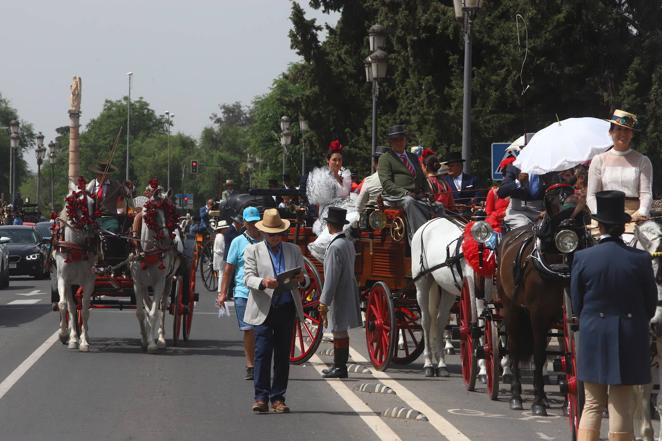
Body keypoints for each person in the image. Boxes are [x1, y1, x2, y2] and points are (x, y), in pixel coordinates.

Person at [571, 190, 656, 441]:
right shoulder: (640, 259)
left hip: (594, 331)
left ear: (600, 225)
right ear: (622, 225)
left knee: (593, 403)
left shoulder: (582, 257)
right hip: (629, 332)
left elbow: (577, 303)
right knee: (621, 402)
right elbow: (650, 304)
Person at [242, 208, 306, 413]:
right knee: (262, 353)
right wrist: (263, 282)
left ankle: (278, 398)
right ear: (264, 233)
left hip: (286, 306)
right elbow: (247, 277)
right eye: (271, 234)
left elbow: (304, 278)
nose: (275, 238)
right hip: (263, 307)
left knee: (281, 355)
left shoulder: (294, 250)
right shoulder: (253, 250)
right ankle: (260, 397)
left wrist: (301, 279)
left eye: (278, 234)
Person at [217, 206, 262, 381]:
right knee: (249, 330)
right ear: (244, 223)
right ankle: (250, 365)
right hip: (243, 292)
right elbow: (228, 270)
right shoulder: (237, 242)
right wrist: (222, 293)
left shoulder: (265, 239)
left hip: (263, 292)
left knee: (262, 331)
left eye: (256, 222)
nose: (254, 226)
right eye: (250, 223)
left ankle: (261, 362)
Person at [587, 109, 652, 227]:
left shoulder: (643, 161)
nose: (623, 133)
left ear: (632, 133)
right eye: (619, 129)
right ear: (610, 132)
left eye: (627, 130)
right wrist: (600, 215)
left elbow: (646, 193)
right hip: (604, 218)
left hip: (634, 217)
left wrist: (641, 213)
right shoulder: (598, 160)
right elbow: (591, 196)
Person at [317, 207, 362, 378]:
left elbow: (331, 277)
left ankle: (340, 367)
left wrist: (324, 301)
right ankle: (339, 365)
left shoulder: (335, 246)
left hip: (338, 291)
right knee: (340, 329)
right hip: (347, 287)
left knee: (338, 329)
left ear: (329, 225)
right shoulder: (348, 243)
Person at [377, 124, 437, 243]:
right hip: (396, 196)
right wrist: (405, 192)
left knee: (438, 206)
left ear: (405, 140)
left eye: (401, 139)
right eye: (395, 140)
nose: (399, 142)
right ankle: (420, 238)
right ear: (390, 142)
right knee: (409, 202)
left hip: (417, 195)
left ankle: (440, 235)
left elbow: (422, 179)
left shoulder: (413, 157)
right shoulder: (385, 158)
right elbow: (387, 183)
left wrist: (428, 193)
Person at [306, 139, 359, 261]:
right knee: (350, 215)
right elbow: (322, 201)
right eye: (334, 160)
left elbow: (346, 196)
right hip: (329, 213)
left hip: (344, 208)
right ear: (328, 161)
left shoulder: (345, 177)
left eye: (339, 160)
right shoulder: (324, 179)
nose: (337, 163)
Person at [497, 160, 545, 230]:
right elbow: (501, 193)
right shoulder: (514, 167)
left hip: (541, 213)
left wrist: (547, 210)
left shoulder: (548, 168)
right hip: (518, 212)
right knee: (525, 231)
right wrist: (518, 182)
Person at [86, 160, 130, 232]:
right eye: (100, 174)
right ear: (96, 174)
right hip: (93, 218)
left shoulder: (116, 185)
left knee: (114, 229)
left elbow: (127, 194)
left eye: (105, 174)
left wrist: (129, 187)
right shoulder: (90, 186)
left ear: (109, 175)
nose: (103, 176)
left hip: (110, 218)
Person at [356, 147, 385, 212]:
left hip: (375, 219)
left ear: (374, 163)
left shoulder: (369, 181)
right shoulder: (399, 179)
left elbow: (359, 207)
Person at [212, 220, 230, 296]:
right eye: (225, 228)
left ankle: (220, 290)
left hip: (218, 256)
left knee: (221, 273)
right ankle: (220, 290)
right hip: (220, 257)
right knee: (222, 273)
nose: (226, 230)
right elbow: (222, 248)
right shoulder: (221, 237)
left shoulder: (218, 236)